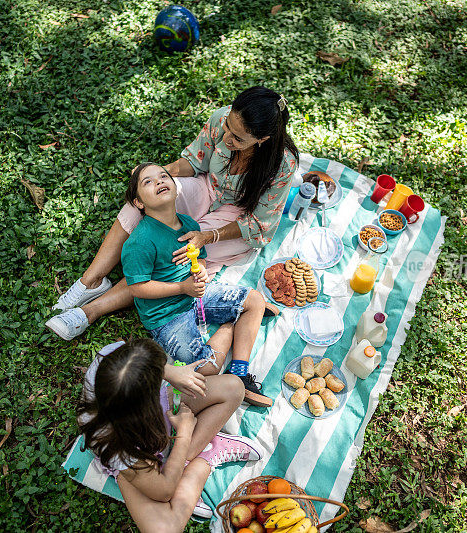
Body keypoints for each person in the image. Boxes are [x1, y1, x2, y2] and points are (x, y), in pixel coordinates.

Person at [46, 86, 299, 335]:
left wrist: (207, 237)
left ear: (262, 139)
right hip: (207, 187)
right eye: (227, 128)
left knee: (176, 252)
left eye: (237, 138)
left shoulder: (282, 164)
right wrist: (154, 178)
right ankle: (90, 280)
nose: (226, 137)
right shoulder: (222, 118)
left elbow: (259, 224)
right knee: (140, 202)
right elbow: (192, 162)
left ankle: (89, 312)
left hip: (236, 221)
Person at [52, 163, 272, 406]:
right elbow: (137, 288)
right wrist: (182, 288)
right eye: (147, 182)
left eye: (163, 176)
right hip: (167, 318)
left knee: (255, 300)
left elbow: (198, 259)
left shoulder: (190, 225)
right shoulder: (140, 242)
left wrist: (198, 276)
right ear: (138, 203)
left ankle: (239, 370)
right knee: (203, 372)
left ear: (176, 189)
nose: (158, 182)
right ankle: (230, 327)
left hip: (196, 295)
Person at [77, 339, 263, 532]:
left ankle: (185, 458)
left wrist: (173, 373)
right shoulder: (116, 448)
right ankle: (201, 460)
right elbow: (164, 492)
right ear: (147, 410)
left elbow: (140, 364)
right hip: (138, 453)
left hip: (151, 417)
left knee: (233, 387)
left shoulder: (111, 358)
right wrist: (183, 434)